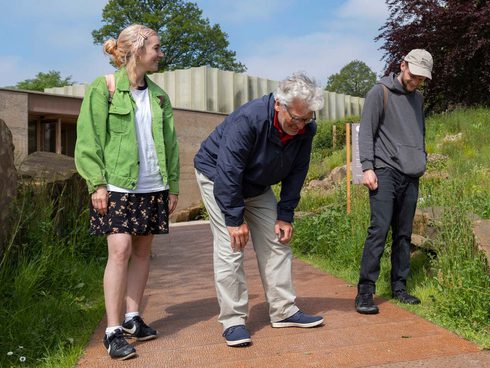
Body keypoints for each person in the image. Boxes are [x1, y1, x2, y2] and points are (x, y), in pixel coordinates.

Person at [194, 72, 325, 347]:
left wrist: (285, 215)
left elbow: (297, 171)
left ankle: (284, 311)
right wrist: (234, 218)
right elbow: (229, 170)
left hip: (257, 184)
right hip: (217, 176)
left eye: (307, 119)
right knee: (232, 246)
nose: (300, 126)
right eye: (296, 118)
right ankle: (233, 321)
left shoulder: (305, 130)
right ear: (279, 104)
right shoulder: (250, 119)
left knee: (277, 241)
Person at [75, 24, 180, 360]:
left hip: (154, 185)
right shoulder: (104, 88)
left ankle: (134, 318)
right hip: (118, 185)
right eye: (157, 48)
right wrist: (97, 183)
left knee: (142, 251)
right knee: (119, 250)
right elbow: (88, 139)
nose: (161, 54)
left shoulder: (160, 95)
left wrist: (173, 186)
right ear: (138, 49)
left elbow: (171, 145)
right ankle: (112, 330)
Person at [355, 49, 433, 315]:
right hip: (385, 170)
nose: (416, 81)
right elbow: (366, 132)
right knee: (379, 229)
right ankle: (366, 291)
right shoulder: (380, 92)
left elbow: (418, 132)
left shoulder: (418, 99)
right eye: (414, 75)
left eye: (422, 78)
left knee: (403, 234)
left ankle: (399, 287)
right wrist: (367, 167)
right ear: (403, 66)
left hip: (411, 174)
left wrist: (421, 158)